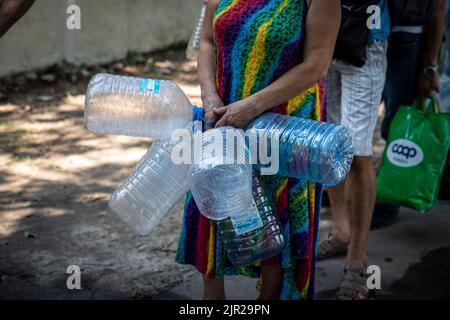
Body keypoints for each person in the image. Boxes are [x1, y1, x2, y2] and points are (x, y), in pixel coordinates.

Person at [175, 0, 340, 300]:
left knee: (277, 210)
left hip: (285, 122)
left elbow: (316, 65)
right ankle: (212, 299)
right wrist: (210, 96)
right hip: (225, 111)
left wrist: (252, 107)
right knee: (215, 196)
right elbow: (207, 41)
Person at [318, 0, 390, 300]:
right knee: (328, 146)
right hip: (322, 39)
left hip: (366, 40)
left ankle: (358, 260)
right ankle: (340, 232)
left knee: (357, 153)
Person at [371, 0, 448, 228]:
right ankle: (367, 190)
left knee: (398, 124)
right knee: (376, 123)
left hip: (409, 40)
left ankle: (389, 198)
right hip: (376, 38)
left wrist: (430, 66)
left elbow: (438, 9)